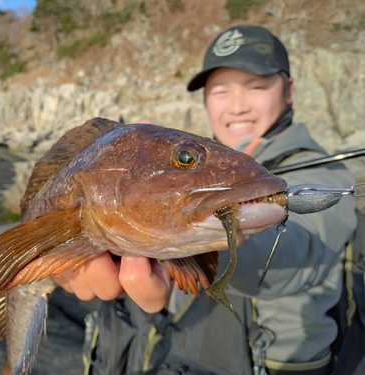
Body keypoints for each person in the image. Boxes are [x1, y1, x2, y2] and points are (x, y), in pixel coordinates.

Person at [53, 25, 357, 375]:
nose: (237, 107)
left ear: (288, 91)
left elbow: (299, 248)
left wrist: (181, 236)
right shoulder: (188, 161)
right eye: (220, 91)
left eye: (256, 86)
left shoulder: (328, 178)